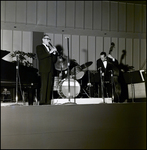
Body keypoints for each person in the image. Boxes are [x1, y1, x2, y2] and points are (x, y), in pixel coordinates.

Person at [36, 34, 58, 105]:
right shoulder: (39, 47)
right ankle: (42, 102)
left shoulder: (49, 48)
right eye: (47, 39)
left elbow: (53, 61)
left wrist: (54, 54)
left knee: (49, 86)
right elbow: (41, 57)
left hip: (50, 69)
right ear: (43, 39)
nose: (48, 40)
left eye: (49, 39)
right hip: (44, 69)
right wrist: (51, 52)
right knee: (44, 85)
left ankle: (48, 101)